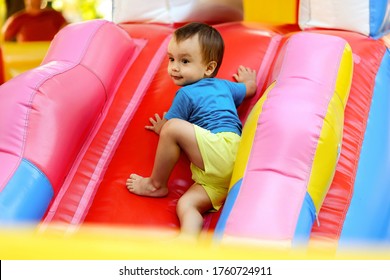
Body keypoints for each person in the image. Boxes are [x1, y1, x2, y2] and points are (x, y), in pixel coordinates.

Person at [126, 22, 257, 238]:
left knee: (172, 127)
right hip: (226, 171)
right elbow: (249, 90)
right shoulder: (225, 86)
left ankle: (156, 184)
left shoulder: (185, 95)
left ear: (208, 68)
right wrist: (248, 81)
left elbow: (171, 127)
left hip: (222, 149)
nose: (175, 67)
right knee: (187, 204)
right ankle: (188, 241)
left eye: (184, 61)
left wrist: (163, 127)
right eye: (171, 59)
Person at [1, 0, 67, 42]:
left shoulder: (55, 15)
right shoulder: (18, 18)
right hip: (27, 58)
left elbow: (68, 31)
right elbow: (3, 37)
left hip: (51, 56)